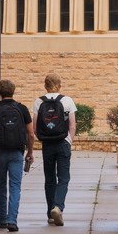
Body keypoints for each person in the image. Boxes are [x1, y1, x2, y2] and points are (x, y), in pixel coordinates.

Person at [0, 79, 35, 232]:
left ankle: (2, 218)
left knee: (1, 186)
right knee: (15, 186)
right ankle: (12, 220)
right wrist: (29, 152)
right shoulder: (22, 109)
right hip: (17, 152)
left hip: (0, 152)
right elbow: (31, 134)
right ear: (13, 90)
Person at [32, 73, 77, 226]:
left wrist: (43, 138)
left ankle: (51, 213)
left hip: (47, 145)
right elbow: (72, 125)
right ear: (60, 85)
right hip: (63, 142)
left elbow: (35, 127)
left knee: (50, 179)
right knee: (64, 178)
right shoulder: (67, 101)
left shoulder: (39, 102)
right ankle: (58, 207)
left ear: (45, 86)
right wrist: (69, 141)